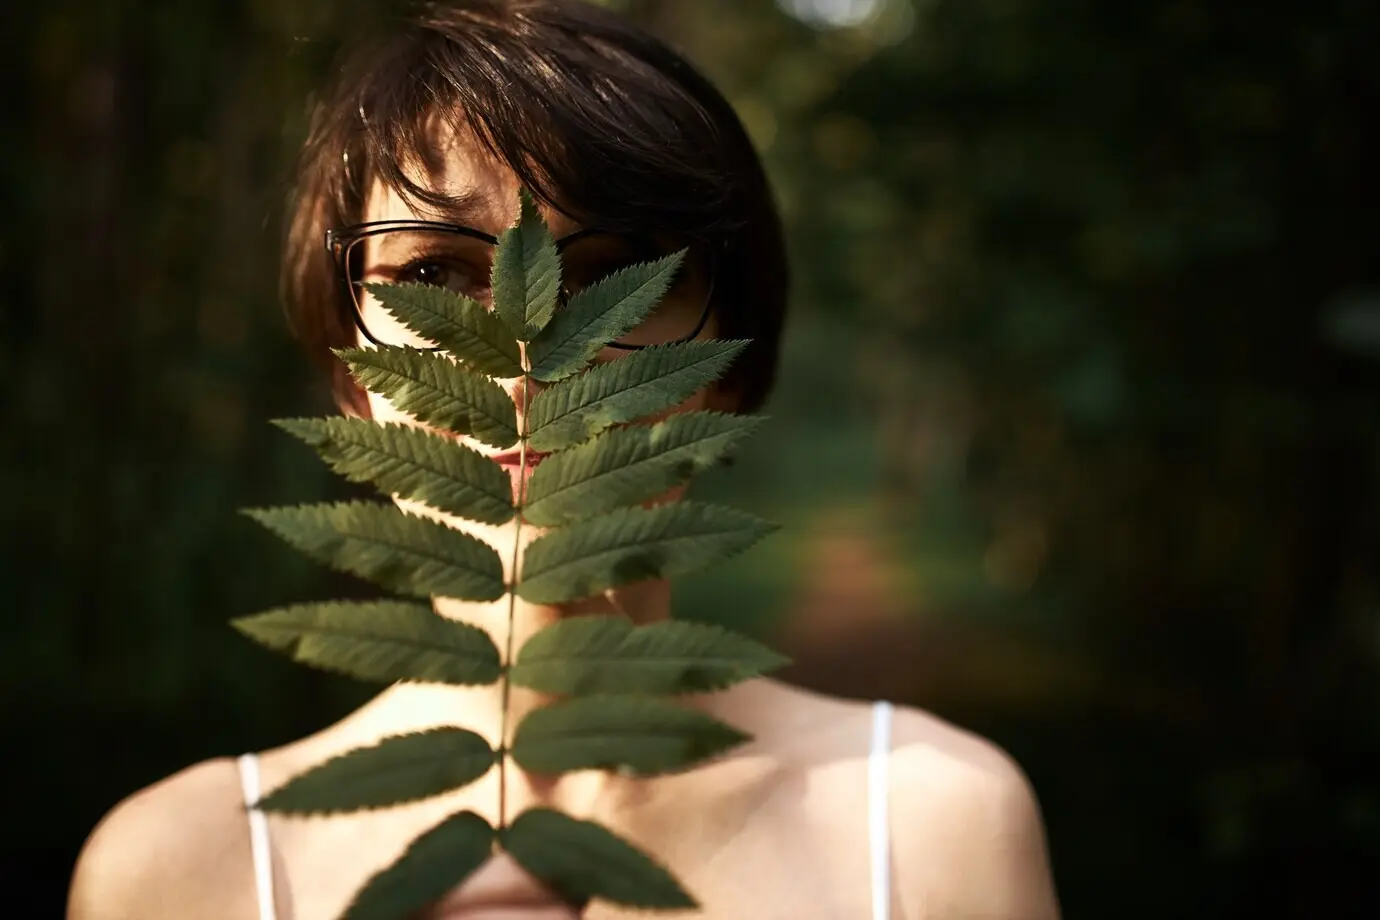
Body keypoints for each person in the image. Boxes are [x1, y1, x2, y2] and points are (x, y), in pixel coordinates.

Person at [67, 2, 1061, 918]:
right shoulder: (181, 870)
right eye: (437, 272)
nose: (526, 364)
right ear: (351, 373)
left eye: (615, 278)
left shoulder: (930, 825)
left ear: (725, 369)